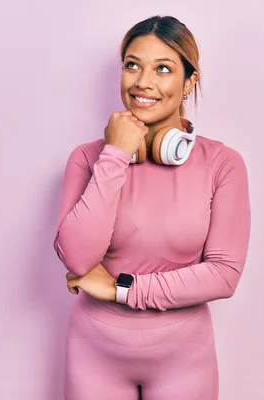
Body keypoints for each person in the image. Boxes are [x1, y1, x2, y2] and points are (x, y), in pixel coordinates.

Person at [53, 15, 251, 400]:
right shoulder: (87, 158)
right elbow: (78, 258)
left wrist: (120, 289)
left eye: (163, 68)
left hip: (184, 361)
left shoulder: (222, 163)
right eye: (132, 65)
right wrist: (115, 155)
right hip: (94, 354)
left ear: (189, 81)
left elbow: (223, 274)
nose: (143, 82)